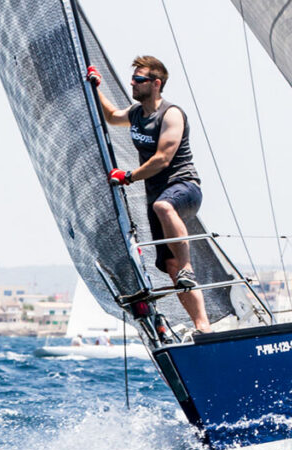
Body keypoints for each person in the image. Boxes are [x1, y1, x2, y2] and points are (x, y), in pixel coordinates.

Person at [87, 56, 211, 333]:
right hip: (156, 196)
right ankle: (203, 327)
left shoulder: (171, 114)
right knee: (169, 266)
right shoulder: (135, 114)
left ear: (156, 84)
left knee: (165, 208)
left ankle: (188, 266)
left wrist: (129, 176)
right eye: (133, 78)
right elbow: (110, 117)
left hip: (185, 186)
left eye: (139, 79)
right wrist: (95, 86)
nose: (133, 83)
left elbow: (163, 159)